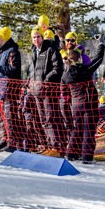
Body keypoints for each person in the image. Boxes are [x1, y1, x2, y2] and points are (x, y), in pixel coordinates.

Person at [61, 37, 105, 163]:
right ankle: (87, 157)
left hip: (75, 105)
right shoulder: (84, 71)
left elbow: (63, 88)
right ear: (79, 59)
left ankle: (71, 154)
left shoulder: (66, 74)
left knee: (77, 130)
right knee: (89, 131)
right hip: (88, 103)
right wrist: (100, 43)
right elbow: (99, 58)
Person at [27, 25, 64, 157]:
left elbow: (58, 68)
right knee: (42, 119)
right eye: (34, 37)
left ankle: (56, 146)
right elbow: (31, 71)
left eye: (38, 36)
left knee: (50, 118)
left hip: (47, 90)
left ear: (42, 37)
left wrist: (45, 80)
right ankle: (49, 145)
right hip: (36, 91)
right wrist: (28, 83)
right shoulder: (33, 52)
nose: (36, 39)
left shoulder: (50, 50)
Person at [0, 26, 22, 151]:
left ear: (3, 38)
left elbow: (13, 70)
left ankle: (12, 142)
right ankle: (3, 139)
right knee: (0, 116)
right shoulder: (1, 52)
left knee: (9, 116)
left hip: (9, 89)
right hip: (0, 88)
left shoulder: (12, 51)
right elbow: (0, 72)